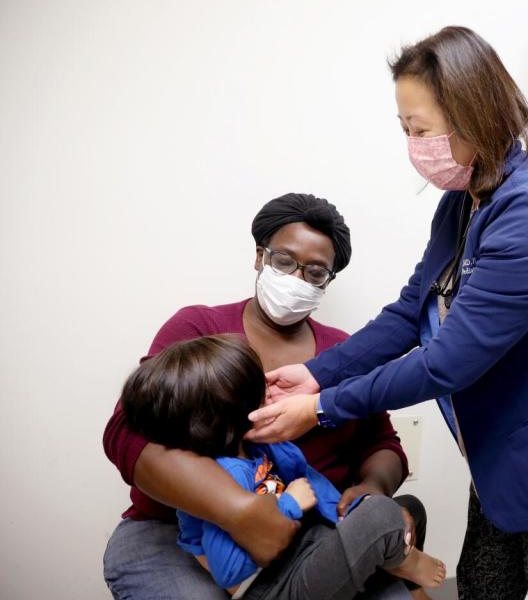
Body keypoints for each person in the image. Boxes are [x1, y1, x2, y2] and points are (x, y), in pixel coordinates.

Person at [243, 26, 528, 600]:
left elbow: (448, 361)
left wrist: (323, 407)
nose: (412, 143)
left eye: (420, 129)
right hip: (502, 450)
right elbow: (411, 312)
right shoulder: (464, 200)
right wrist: (318, 373)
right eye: (404, 128)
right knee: (482, 586)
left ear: (474, 114)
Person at [103, 194, 428, 600]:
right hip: (178, 535)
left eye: (315, 272)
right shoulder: (199, 329)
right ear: (260, 257)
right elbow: (127, 435)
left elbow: (382, 443)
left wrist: (372, 488)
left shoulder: (344, 354)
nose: (296, 279)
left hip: (309, 535)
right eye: (284, 261)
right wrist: (240, 512)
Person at [120, 334, 446, 599]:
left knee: (404, 508)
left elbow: (309, 481)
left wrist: (348, 517)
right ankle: (402, 562)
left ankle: (386, 555)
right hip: (274, 587)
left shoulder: (258, 448)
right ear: (222, 418)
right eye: (258, 392)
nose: (269, 392)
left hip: (305, 547)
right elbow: (228, 572)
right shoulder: (223, 477)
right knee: (381, 518)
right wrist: (289, 505)